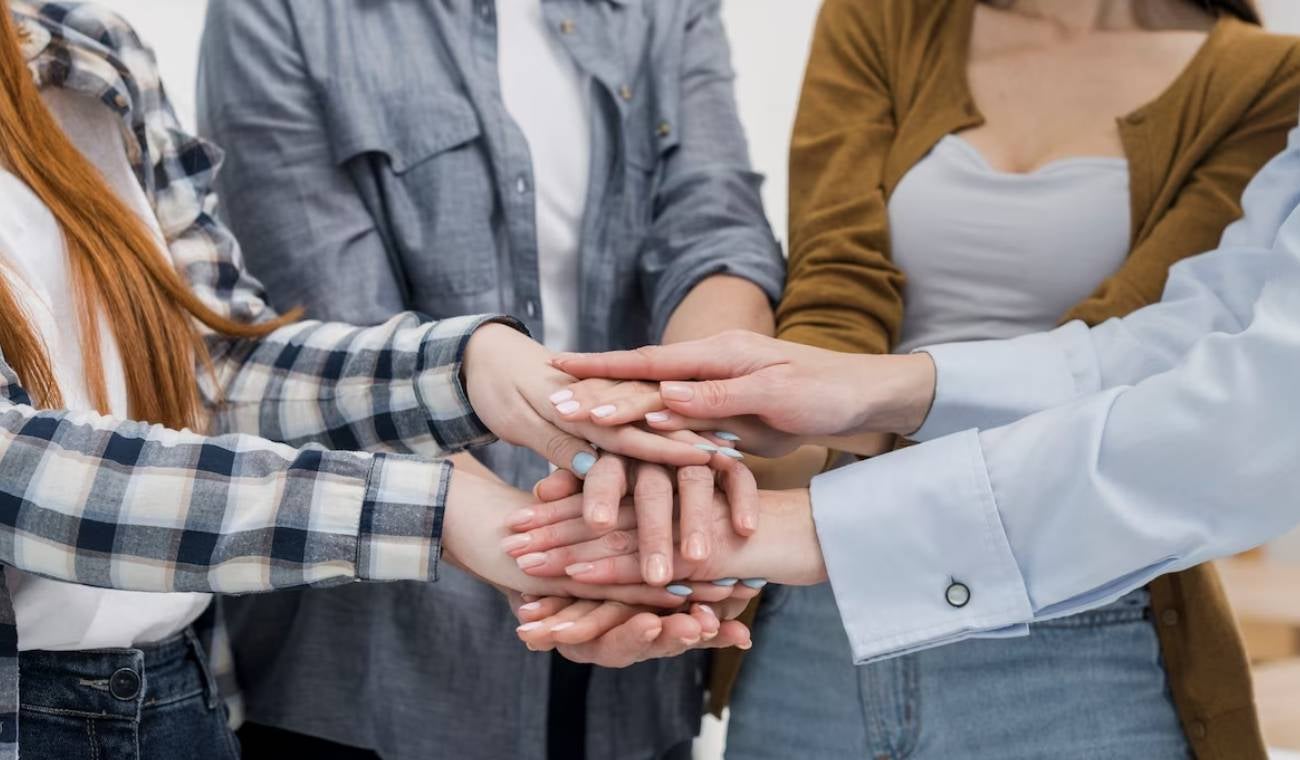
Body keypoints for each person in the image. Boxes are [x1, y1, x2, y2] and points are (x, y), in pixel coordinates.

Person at [526, 0, 1300, 757]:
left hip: (1080, 615)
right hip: (813, 619)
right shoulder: (884, 17)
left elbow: (1191, 392)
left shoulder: (1264, 79)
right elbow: (840, 291)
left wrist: (803, 511)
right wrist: (715, 468)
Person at [0, 3, 755, 759]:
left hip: (179, 691)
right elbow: (16, 471)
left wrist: (470, 369)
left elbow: (213, 371)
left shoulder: (88, 51)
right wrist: (443, 511)